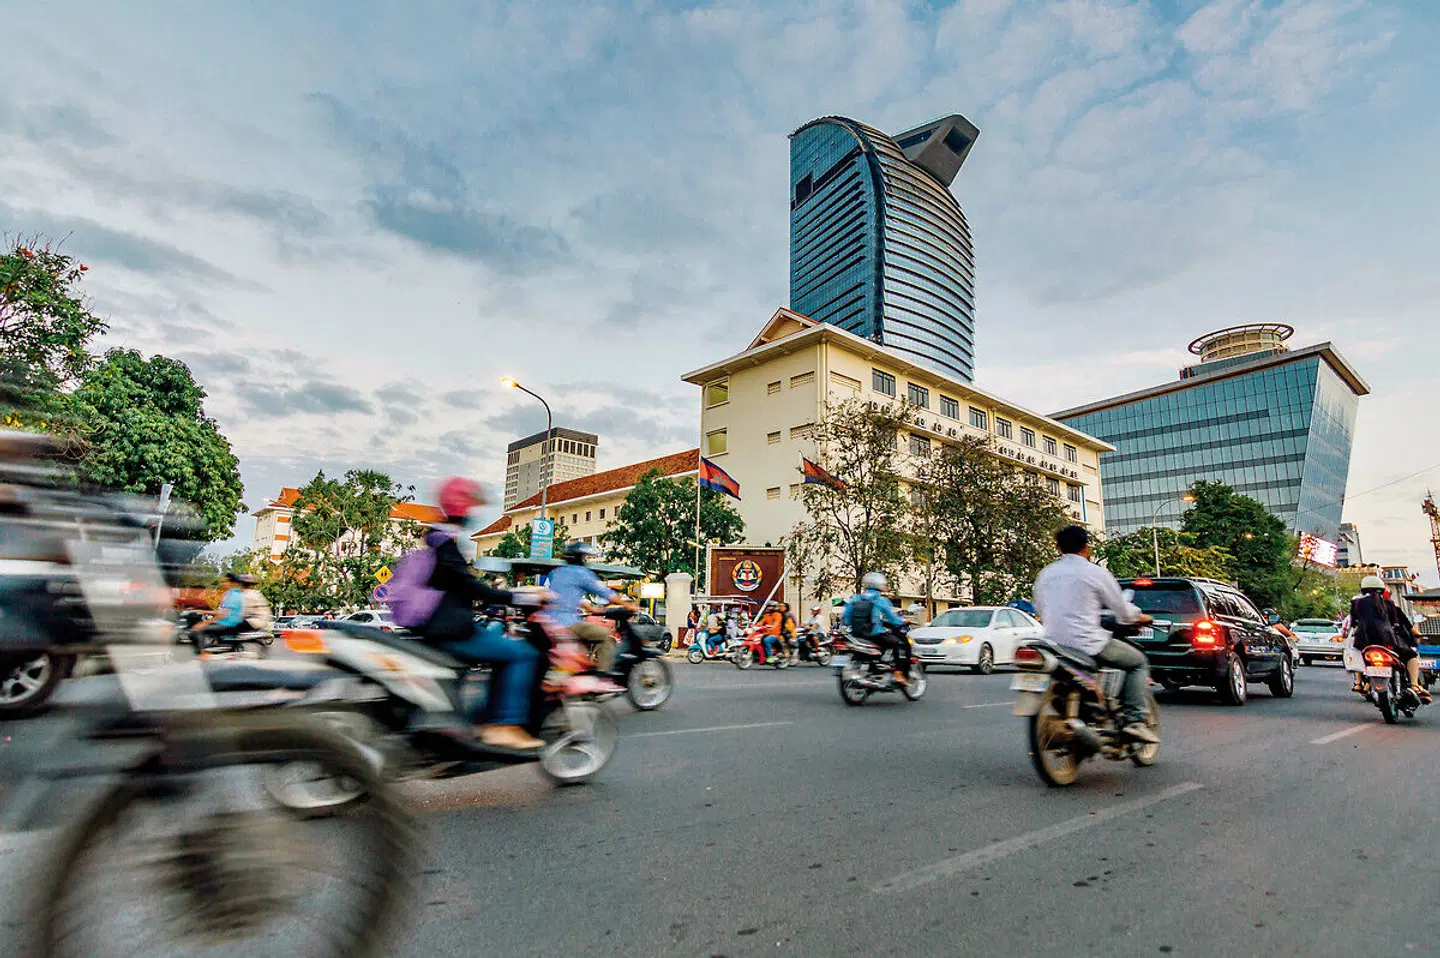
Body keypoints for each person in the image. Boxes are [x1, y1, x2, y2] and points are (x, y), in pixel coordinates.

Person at [417, 478, 543, 751]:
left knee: (501, 652)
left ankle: (486, 721)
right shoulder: (444, 545)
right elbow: (471, 588)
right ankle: (504, 725)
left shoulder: (435, 539)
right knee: (523, 654)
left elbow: (461, 589)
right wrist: (521, 596)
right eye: (472, 506)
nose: (475, 513)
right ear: (462, 507)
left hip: (444, 627)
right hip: (451, 630)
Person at [1033, 524, 1158, 744]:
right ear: (1086, 547)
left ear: (1058, 548)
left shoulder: (1045, 574)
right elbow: (1122, 610)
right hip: (1087, 642)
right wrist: (1141, 618)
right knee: (1138, 662)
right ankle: (1134, 721)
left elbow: (1041, 610)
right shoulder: (1095, 572)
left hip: (1053, 643)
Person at [544, 541, 635, 671]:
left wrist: (592, 609)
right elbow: (605, 593)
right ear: (580, 558)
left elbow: (565, 596)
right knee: (606, 636)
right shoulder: (581, 573)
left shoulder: (556, 572)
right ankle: (603, 676)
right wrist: (628, 605)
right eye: (584, 557)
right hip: (568, 623)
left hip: (548, 622)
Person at [1350, 575, 1429, 701]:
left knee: (1357, 655)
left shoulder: (1356, 603)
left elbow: (1353, 622)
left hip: (1363, 641)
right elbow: (1395, 623)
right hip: (1387, 641)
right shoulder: (1390, 604)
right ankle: (1415, 685)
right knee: (1411, 656)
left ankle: (1359, 683)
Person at [842, 572, 910, 683]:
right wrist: (903, 621)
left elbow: (846, 617)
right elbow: (893, 619)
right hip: (874, 634)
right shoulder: (880, 600)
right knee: (900, 644)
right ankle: (898, 674)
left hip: (856, 635)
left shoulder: (856, 598)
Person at [189, 572, 248, 651]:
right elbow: (220, 612)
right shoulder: (229, 594)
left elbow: (223, 614)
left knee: (197, 631)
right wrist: (202, 611)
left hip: (228, 625)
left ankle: (203, 655)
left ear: (232, 583)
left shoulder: (234, 595)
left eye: (225, 581)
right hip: (224, 623)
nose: (223, 583)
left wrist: (204, 623)